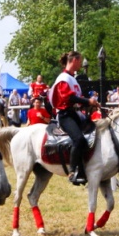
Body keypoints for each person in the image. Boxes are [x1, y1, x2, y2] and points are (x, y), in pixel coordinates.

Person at [47, 50, 95, 185]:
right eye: (80, 61)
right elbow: (68, 97)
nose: (80, 64)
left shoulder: (72, 78)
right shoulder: (63, 79)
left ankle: (85, 169)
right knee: (78, 139)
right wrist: (88, 102)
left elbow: (77, 99)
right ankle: (72, 171)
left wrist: (88, 104)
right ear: (74, 60)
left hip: (74, 114)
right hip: (65, 115)